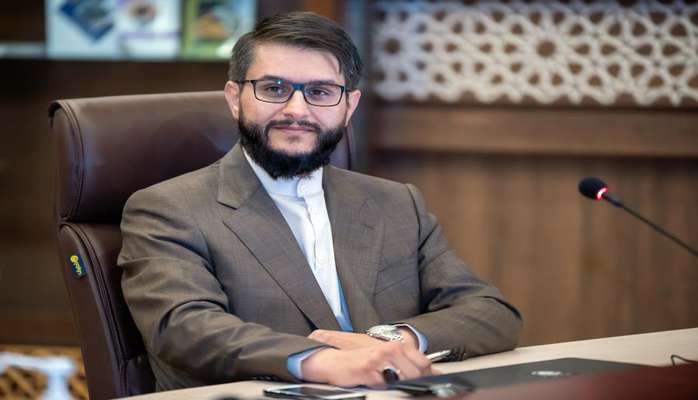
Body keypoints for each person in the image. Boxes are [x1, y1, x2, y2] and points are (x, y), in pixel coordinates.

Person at [118, 11, 522, 391]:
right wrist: (321, 361)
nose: (297, 110)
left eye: (320, 92)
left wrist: (391, 341)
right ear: (235, 97)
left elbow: (491, 312)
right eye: (274, 89)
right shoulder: (168, 208)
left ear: (349, 107)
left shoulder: (397, 203)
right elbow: (184, 327)